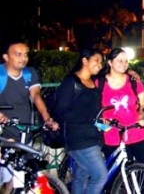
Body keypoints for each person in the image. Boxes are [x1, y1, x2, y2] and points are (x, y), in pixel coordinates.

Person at [0, 39, 60, 194]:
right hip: (3, 133)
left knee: (19, 178)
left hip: (24, 131)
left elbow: (36, 96)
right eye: (18, 54)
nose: (23, 58)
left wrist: (47, 118)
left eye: (25, 54)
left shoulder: (29, 74)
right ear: (6, 57)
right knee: (7, 178)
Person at [54, 48, 107, 194]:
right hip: (78, 138)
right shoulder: (71, 82)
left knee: (81, 175)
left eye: (101, 62)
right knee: (100, 175)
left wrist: (103, 123)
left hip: (93, 137)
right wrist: (88, 119)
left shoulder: (93, 83)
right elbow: (61, 111)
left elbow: (94, 111)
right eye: (96, 60)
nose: (100, 64)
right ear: (85, 60)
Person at [97, 48, 144, 164]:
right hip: (112, 137)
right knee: (118, 176)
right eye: (119, 61)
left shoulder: (134, 81)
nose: (124, 64)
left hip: (136, 132)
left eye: (126, 61)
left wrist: (142, 116)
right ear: (110, 62)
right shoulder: (99, 83)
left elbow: (143, 103)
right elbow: (91, 109)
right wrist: (103, 125)